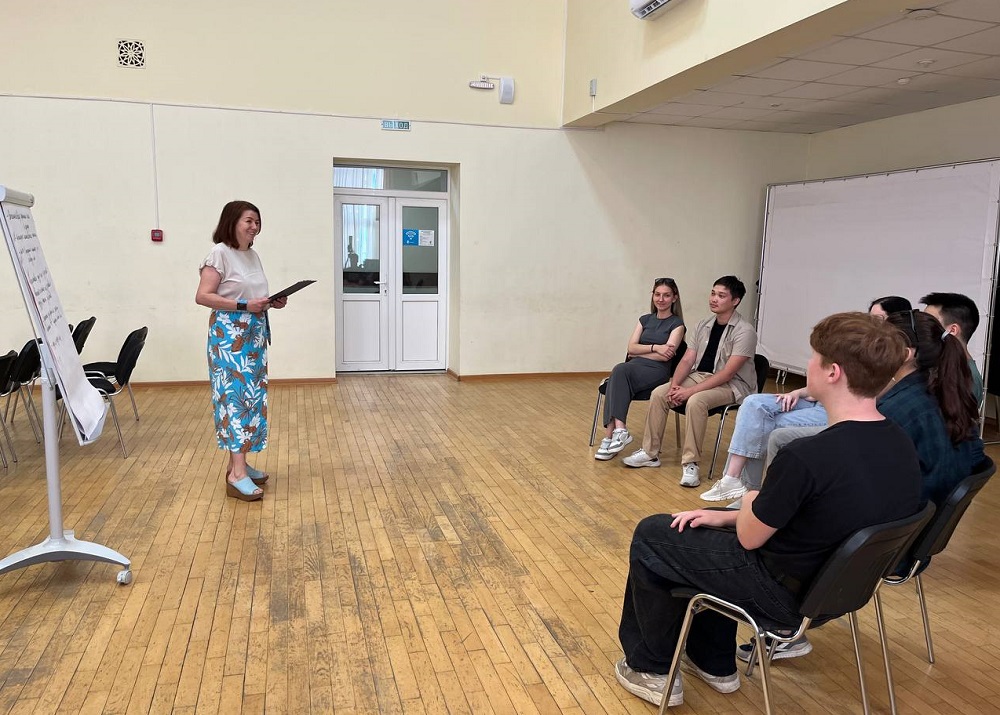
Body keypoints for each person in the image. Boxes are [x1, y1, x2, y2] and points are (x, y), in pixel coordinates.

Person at [613, 312, 921, 707]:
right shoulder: (898, 442)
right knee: (703, 529)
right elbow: (812, 515)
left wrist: (747, 500)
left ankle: (651, 669)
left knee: (654, 535)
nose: (808, 364)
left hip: (782, 595)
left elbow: (749, 536)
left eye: (814, 357)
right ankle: (713, 662)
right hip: (835, 590)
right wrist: (723, 516)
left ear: (833, 372)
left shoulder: (807, 456)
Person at [736, 309, 984, 662]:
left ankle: (783, 627)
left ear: (904, 353)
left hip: (870, 550)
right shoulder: (936, 392)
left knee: (767, 522)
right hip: (904, 536)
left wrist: (756, 504)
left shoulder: (898, 413)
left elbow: (847, 481)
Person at [700, 296, 911, 502]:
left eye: (878, 319)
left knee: (761, 425)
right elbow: (832, 382)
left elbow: (849, 390)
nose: (870, 323)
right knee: (753, 404)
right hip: (818, 400)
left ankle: (751, 492)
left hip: (829, 408)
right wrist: (797, 392)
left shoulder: (883, 362)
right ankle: (734, 480)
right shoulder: (862, 352)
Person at [622, 276, 757, 487]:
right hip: (700, 375)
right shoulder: (703, 325)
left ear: (735, 301)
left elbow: (727, 374)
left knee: (696, 401)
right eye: (713, 293)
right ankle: (650, 453)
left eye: (721, 296)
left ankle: (690, 463)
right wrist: (675, 385)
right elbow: (687, 359)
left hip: (733, 385)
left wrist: (689, 392)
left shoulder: (745, 331)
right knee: (659, 394)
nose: (714, 299)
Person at [195, 200, 288, 502]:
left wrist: (270, 302)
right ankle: (236, 475)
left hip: (253, 337)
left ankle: (239, 465)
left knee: (251, 402)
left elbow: (251, 296)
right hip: (229, 339)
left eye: (257, 222)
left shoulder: (252, 255)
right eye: (248, 220)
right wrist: (244, 305)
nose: (254, 226)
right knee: (235, 402)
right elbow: (203, 296)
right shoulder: (219, 253)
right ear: (232, 221)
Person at [595, 278, 686, 460]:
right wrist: (656, 347)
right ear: (653, 296)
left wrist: (639, 353)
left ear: (674, 298)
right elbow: (630, 348)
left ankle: (613, 435)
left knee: (619, 372)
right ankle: (616, 434)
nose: (661, 299)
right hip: (632, 370)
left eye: (666, 295)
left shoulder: (677, 325)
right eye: (657, 294)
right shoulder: (644, 320)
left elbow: (665, 356)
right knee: (618, 375)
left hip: (657, 371)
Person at [920, 291, 983, 403]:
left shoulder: (966, 379)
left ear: (953, 330)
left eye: (929, 322)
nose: (923, 327)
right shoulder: (938, 365)